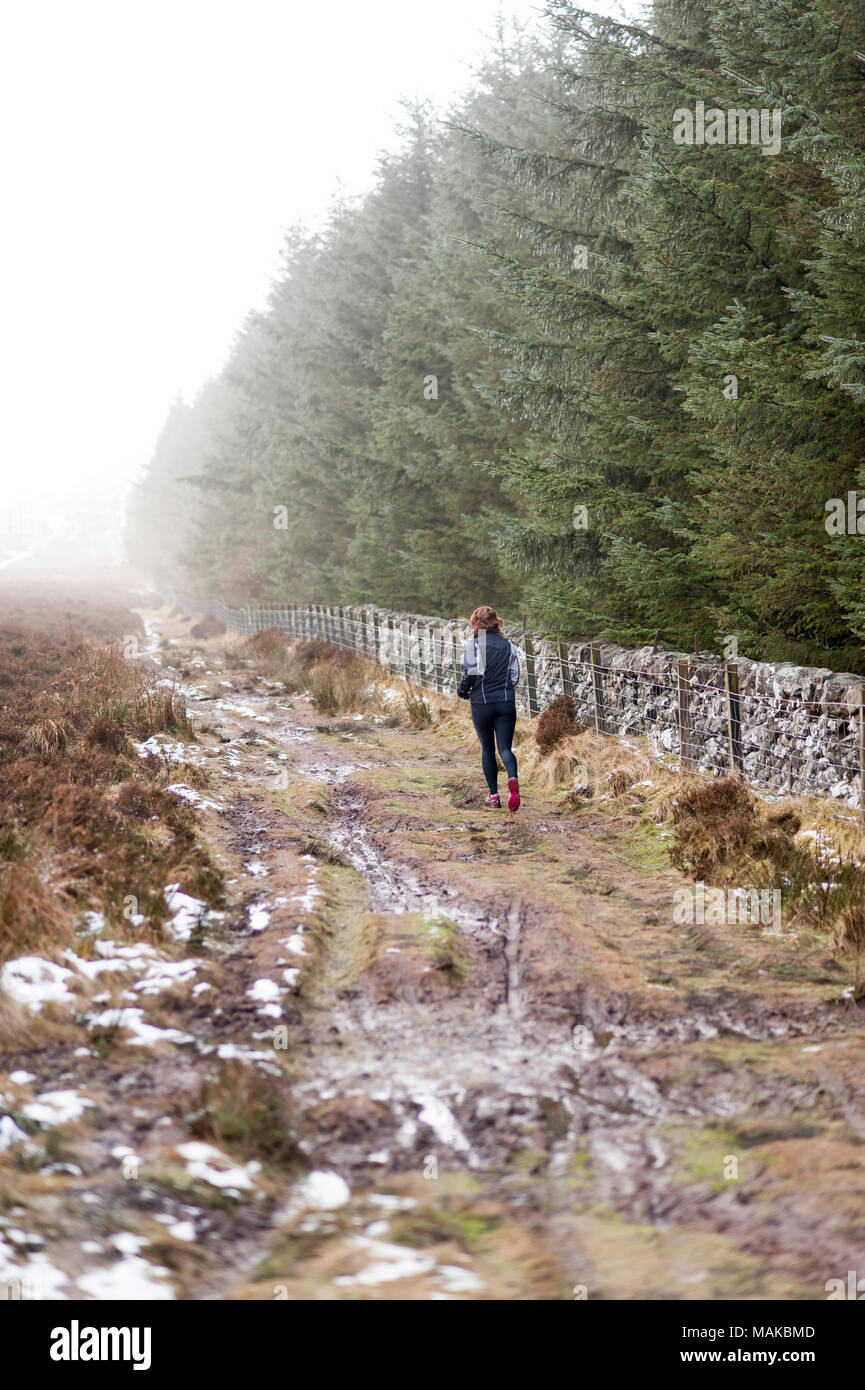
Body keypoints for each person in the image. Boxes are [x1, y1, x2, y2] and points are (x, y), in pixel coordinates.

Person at [460, 605, 521, 811]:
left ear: (475, 624)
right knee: (505, 748)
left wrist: (463, 690)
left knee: (487, 749)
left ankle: (494, 796)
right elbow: (515, 676)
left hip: (482, 703)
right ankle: (513, 780)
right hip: (505, 702)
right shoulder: (509, 646)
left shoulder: (475, 645)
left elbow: (473, 672)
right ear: (497, 622)